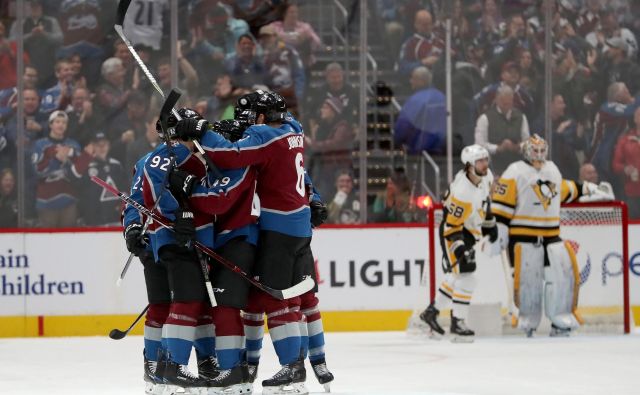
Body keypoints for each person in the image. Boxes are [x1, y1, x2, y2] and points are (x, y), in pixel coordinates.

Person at [174, 90, 310, 394]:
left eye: (250, 119)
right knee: (264, 300)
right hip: (298, 226)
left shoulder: (266, 135)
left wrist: (202, 130)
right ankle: (271, 366)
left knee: (273, 301)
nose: (245, 126)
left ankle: (292, 368)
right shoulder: (294, 129)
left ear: (262, 118)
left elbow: (231, 155)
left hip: (280, 227)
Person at [491, 134, 614, 337]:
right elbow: (502, 203)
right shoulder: (514, 172)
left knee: (563, 276)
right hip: (524, 237)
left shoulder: (551, 169)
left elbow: (566, 189)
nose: (538, 155)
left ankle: (561, 320)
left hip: (551, 235)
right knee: (528, 282)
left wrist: (592, 189)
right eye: (534, 150)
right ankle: (528, 321)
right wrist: (500, 230)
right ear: (526, 151)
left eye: (541, 150)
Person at [419, 145, 496, 342]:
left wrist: (489, 225)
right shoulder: (462, 191)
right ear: (470, 165)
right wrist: (460, 248)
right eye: (480, 161)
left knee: (456, 276)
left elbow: (485, 202)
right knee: (468, 277)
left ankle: (431, 313)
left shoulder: (486, 177)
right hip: (454, 233)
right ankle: (457, 322)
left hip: (469, 230)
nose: (485, 164)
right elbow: (452, 227)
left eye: (485, 159)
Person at [31, 110, 82, 227]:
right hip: (47, 201)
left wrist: (67, 161)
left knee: (68, 240)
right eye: (57, 122)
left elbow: (80, 172)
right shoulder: (40, 145)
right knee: (47, 240)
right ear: (50, 125)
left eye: (64, 122)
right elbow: (36, 171)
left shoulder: (73, 145)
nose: (61, 125)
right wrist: (55, 160)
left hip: (69, 201)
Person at [71, 132, 127, 226]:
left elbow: (124, 188)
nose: (102, 148)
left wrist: (123, 205)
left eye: (104, 144)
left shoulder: (116, 165)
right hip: (93, 221)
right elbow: (74, 179)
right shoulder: (85, 166)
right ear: (92, 147)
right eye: (98, 145)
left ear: (109, 145)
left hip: (115, 219)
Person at [474, 85, 530, 175]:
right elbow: (480, 145)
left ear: (512, 101)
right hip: (493, 168)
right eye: (503, 103)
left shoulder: (521, 117)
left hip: (517, 169)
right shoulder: (485, 118)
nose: (506, 106)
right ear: (496, 100)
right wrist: (498, 148)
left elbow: (527, 142)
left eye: (509, 103)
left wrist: (516, 147)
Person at [305, 96, 354, 198]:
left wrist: (313, 144)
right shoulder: (323, 126)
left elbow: (334, 144)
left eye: (325, 107)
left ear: (333, 110)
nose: (322, 110)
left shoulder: (342, 127)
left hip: (337, 170)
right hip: (325, 170)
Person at [394, 66, 446, 155]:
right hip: (442, 145)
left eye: (413, 78)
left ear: (421, 81)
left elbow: (404, 125)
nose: (410, 81)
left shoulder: (416, 100)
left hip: (419, 149)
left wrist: (396, 140)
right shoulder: (442, 96)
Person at [613, 107, 640, 219]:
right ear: (635, 119)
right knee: (631, 226)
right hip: (632, 191)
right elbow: (615, 164)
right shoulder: (625, 140)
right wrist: (625, 169)